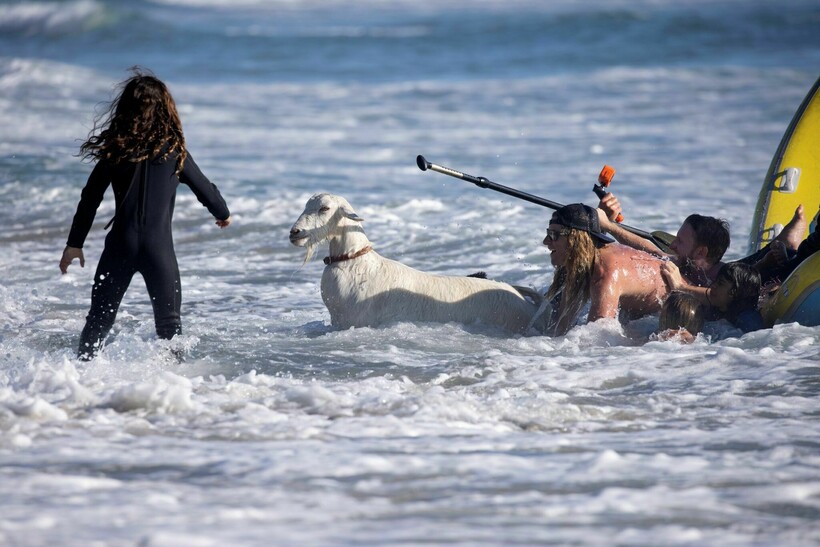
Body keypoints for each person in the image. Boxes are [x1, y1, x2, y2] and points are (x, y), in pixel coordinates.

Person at [59, 68, 232, 360]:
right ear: (166, 110)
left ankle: (77, 380)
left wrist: (74, 244)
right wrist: (222, 213)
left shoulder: (114, 152)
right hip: (158, 251)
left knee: (99, 322)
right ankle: (180, 392)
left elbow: (89, 199)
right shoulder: (175, 152)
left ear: (125, 110)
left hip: (119, 247)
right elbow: (206, 191)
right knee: (169, 326)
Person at [597, 194, 808, 286]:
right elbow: (650, 248)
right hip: (738, 268)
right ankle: (783, 240)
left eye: (680, 241)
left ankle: (789, 240)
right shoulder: (683, 264)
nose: (672, 244)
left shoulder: (724, 278)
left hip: (744, 274)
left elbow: (717, 295)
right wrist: (609, 225)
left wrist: (769, 262)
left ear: (701, 253)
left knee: (774, 261)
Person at [540, 203, 670, 336]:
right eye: (548, 233)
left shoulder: (606, 273)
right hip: (637, 310)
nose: (545, 241)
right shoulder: (579, 262)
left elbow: (598, 339)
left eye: (553, 235)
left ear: (576, 239)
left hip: (669, 311)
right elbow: (560, 327)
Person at [662, 261, 765, 333]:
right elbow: (705, 294)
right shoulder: (721, 303)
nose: (713, 285)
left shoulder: (749, 321)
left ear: (734, 293)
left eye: (720, 283)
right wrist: (680, 287)